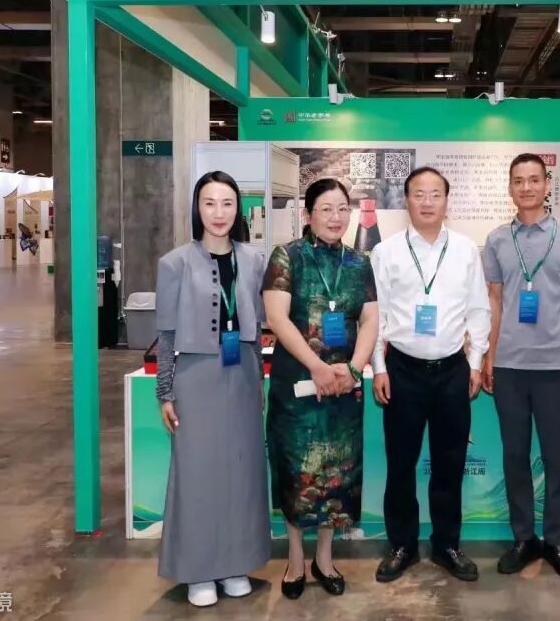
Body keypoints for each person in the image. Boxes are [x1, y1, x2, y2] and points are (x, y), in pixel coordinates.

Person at [154, 171, 270, 607]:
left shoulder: (254, 260)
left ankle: (236, 564)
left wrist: (258, 380)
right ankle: (199, 571)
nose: (219, 213)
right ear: (196, 208)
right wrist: (165, 391)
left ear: (238, 209)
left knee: (241, 473)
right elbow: (166, 334)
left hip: (241, 376)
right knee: (198, 474)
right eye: (209, 203)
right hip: (196, 378)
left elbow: (257, 330)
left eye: (227, 203)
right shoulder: (175, 263)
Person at [370, 166, 491, 584]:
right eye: (418, 194)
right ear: (406, 200)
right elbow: (376, 315)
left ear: (446, 201)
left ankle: (446, 545)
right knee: (401, 463)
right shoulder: (386, 252)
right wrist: (379, 367)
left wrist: (475, 362)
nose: (426, 202)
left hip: (452, 371)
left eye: (435, 194)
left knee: (449, 463)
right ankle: (402, 545)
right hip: (402, 370)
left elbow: (479, 308)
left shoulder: (465, 250)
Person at [263, 177, 378, 600]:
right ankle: (295, 559)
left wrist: (353, 368)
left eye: (342, 209)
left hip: (343, 388)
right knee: (297, 473)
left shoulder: (359, 262)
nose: (335, 217)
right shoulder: (287, 256)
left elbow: (370, 318)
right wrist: (317, 367)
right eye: (326, 209)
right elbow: (277, 319)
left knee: (337, 475)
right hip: (297, 386)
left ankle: (324, 559)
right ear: (308, 214)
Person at [483, 153, 560, 583]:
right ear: (510, 187)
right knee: (514, 455)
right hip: (510, 366)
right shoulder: (497, 239)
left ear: (547, 185)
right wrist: (489, 355)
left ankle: (556, 541)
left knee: (555, 457)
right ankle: (523, 538)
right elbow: (494, 301)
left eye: (534, 180)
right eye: (518, 181)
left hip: (556, 366)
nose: (526, 187)